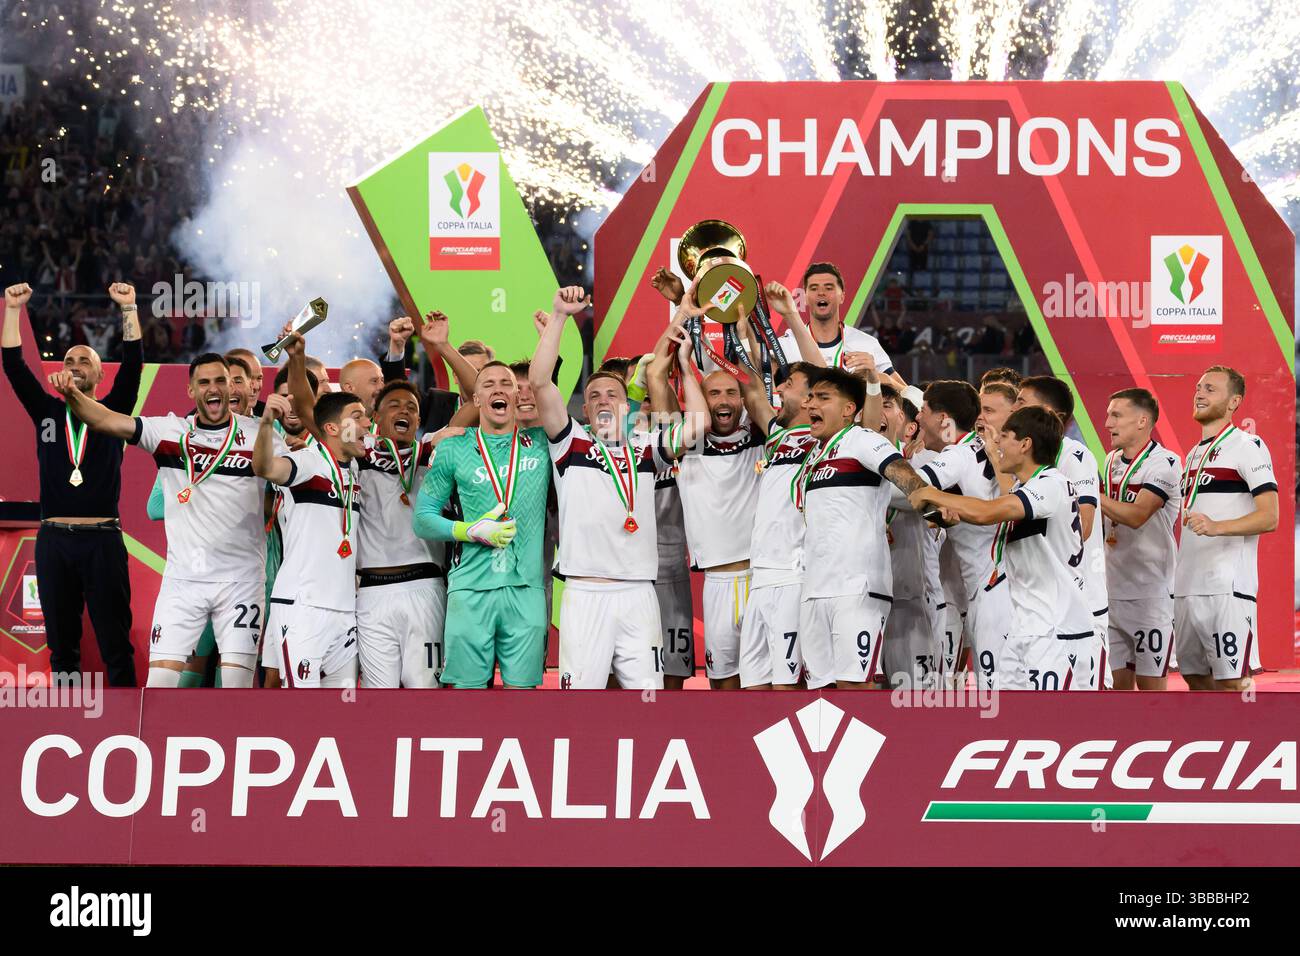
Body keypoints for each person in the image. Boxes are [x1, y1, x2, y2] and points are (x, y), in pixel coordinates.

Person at [54, 351, 276, 687]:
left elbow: (295, 469)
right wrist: (72, 395)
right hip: (183, 584)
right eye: (204, 382)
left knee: (235, 687)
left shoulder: (261, 434)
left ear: (231, 387)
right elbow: (104, 420)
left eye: (220, 380)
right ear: (191, 390)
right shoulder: (170, 431)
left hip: (241, 584)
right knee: (159, 683)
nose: (213, 388)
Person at [532, 287, 707, 689]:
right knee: (580, 703)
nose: (603, 400)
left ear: (627, 406)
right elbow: (540, 383)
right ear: (585, 410)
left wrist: (685, 363)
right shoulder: (570, 442)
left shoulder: (647, 446)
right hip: (584, 593)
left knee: (648, 698)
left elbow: (698, 424)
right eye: (593, 396)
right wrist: (559, 316)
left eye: (612, 394)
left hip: (639, 595)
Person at [3, 281, 142, 686]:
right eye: (69, 360)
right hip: (53, 541)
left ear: (100, 373)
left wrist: (129, 308)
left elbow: (133, 364)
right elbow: (13, 365)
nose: (76, 364)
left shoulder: (114, 412)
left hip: (102, 540)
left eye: (85, 360)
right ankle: (66, 714)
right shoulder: (46, 412)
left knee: (116, 645)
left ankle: (126, 718)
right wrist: (12, 310)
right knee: (61, 648)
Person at [911, 406, 1093, 690]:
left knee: (1051, 716)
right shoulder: (1029, 487)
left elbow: (988, 511)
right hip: (1024, 627)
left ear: (1025, 444)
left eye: (1004, 437)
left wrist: (932, 493)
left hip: (1056, 630)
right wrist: (950, 515)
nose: (996, 444)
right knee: (1006, 709)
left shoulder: (1052, 484)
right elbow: (997, 505)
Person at [413, 357, 552, 689]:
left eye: (506, 384)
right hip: (470, 590)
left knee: (523, 695)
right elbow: (422, 519)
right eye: (488, 385)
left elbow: (604, 432)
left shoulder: (543, 444)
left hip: (526, 590)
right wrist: (469, 531)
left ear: (518, 396)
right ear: (476, 399)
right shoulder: (454, 448)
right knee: (468, 697)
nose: (498, 390)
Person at [798, 367, 931, 689]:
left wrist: (936, 509)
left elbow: (907, 478)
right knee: (820, 693)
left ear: (848, 409)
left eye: (823, 398)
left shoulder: (863, 440)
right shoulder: (814, 455)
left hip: (857, 587)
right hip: (814, 588)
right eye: (811, 397)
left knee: (855, 687)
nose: (811, 404)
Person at [254, 377, 367, 688]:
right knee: (302, 704)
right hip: (303, 607)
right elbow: (264, 468)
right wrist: (266, 423)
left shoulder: (354, 469)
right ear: (332, 428)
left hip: (344, 610)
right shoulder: (307, 463)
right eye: (357, 417)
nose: (367, 424)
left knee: (343, 706)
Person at [1174, 366, 1277, 691]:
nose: (1199, 393)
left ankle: (1252, 727)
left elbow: (1270, 517)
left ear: (1234, 402)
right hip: (1187, 586)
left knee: (1235, 683)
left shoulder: (1249, 445)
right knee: (1195, 680)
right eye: (1198, 387)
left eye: (1210, 389)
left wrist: (1217, 527)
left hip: (1227, 587)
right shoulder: (1193, 454)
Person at [913, 380, 1009, 689]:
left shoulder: (958, 454)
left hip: (991, 587)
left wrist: (883, 464)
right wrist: (937, 513)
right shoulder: (986, 447)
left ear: (943, 419)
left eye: (923, 410)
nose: (918, 418)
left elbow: (910, 490)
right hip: (1003, 582)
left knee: (998, 694)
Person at [1015, 376, 1108, 690]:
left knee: (1087, 701)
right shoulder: (1021, 460)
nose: (1014, 408)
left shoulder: (1074, 456)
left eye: (1021, 402)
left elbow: (1084, 525)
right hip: (1042, 605)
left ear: (1047, 413)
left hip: (1080, 601)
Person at [735, 359, 821, 688]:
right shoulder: (776, 438)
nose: (780, 389)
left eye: (789, 384)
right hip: (759, 576)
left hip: (794, 576)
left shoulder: (825, 442)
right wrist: (738, 338)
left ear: (812, 397)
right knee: (753, 685)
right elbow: (753, 394)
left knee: (789, 685)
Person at [1098, 388, 1181, 691]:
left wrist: (1088, 492)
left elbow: (1136, 515)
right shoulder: (1110, 460)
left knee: (1151, 693)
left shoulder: (1165, 463)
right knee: (1115, 690)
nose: (1107, 423)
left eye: (1116, 415)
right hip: (1111, 593)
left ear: (1142, 421)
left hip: (1151, 595)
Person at [879, 384, 942, 688]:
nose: (878, 411)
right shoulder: (847, 463)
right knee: (861, 699)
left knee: (917, 699)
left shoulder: (924, 463)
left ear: (905, 422)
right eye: (872, 405)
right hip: (862, 599)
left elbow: (926, 499)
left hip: (909, 600)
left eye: (887, 405)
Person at [774, 263, 905, 387]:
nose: (821, 292)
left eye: (828, 288)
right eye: (814, 288)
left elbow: (907, 395)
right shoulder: (785, 345)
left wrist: (875, 378)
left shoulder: (867, 344)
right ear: (805, 298)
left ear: (842, 297)